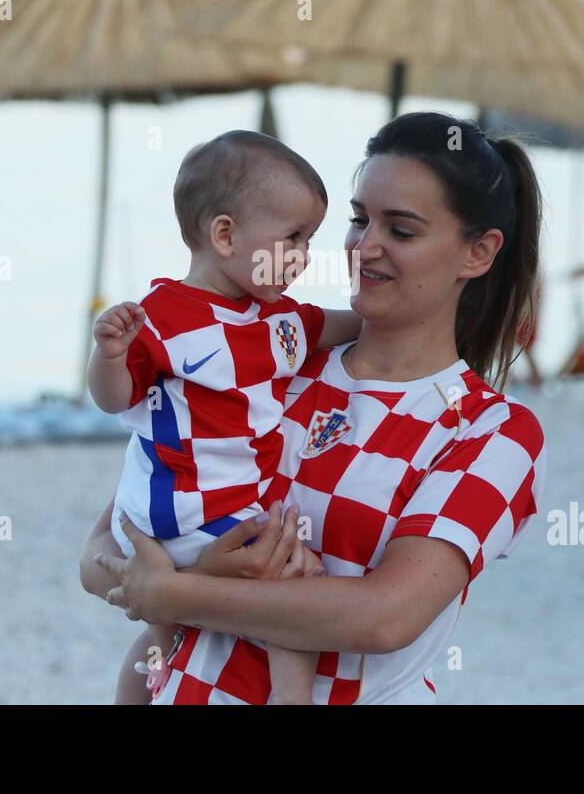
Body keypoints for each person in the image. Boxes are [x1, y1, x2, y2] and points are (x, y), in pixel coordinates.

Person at [82, 112, 547, 704]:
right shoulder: (268, 358)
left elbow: (384, 617)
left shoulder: (488, 431)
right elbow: (104, 548)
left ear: (477, 253)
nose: (363, 245)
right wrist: (174, 580)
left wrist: (176, 594)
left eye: (400, 230)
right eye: (359, 219)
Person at [86, 129, 361, 704]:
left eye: (310, 240)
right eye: (293, 238)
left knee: (165, 626)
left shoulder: (278, 319)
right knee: (298, 579)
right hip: (183, 509)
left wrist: (400, 321)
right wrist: (109, 356)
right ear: (226, 235)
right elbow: (113, 399)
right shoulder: (162, 318)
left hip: (198, 506)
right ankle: (292, 695)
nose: (306, 256)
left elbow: (344, 324)